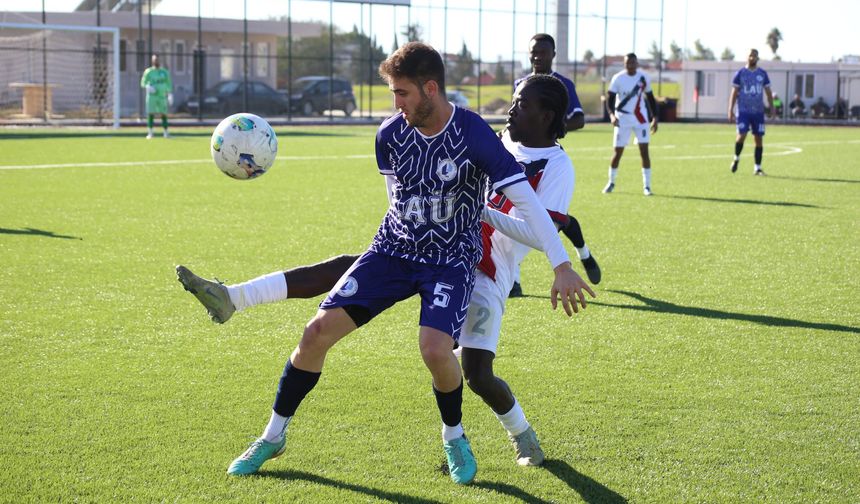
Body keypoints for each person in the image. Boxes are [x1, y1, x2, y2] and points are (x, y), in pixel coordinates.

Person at [178, 42, 592, 485]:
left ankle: (454, 436)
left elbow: (527, 203)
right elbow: (396, 201)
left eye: (402, 93)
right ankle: (272, 436)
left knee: (439, 352)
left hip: (453, 261)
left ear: (430, 88)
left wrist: (562, 264)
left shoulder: (474, 135)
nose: (395, 103)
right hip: (394, 251)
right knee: (315, 334)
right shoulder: (389, 134)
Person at [508, 33, 598, 298]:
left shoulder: (563, 84)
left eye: (543, 52)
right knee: (513, 209)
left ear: (553, 55)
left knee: (553, 220)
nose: (537, 57)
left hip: (546, 154)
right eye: (533, 52)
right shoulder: (521, 83)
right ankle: (513, 280)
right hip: (519, 152)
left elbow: (579, 119)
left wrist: (548, 128)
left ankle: (584, 253)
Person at [603, 53, 659, 196]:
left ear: (637, 64)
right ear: (624, 64)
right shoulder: (618, 78)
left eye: (633, 63)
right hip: (622, 120)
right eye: (628, 63)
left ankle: (647, 186)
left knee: (644, 152)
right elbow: (610, 99)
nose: (631, 65)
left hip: (641, 120)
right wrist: (611, 115)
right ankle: (611, 182)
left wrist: (655, 118)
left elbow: (651, 98)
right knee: (618, 152)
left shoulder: (643, 77)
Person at [728, 48, 774, 176]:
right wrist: (730, 109)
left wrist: (771, 108)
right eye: (750, 56)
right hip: (743, 111)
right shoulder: (740, 73)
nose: (752, 58)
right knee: (742, 134)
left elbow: (768, 92)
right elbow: (734, 92)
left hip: (758, 112)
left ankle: (757, 168)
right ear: (746, 57)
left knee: (758, 139)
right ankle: (736, 158)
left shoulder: (762, 74)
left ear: (757, 58)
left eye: (754, 56)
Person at [140, 54, 172, 139]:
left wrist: (169, 94)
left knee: (164, 114)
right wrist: (148, 87)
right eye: (154, 60)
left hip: (162, 96)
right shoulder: (148, 71)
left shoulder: (164, 72)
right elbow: (143, 83)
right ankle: (150, 133)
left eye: (157, 59)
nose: (156, 61)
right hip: (152, 97)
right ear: (152, 61)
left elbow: (168, 84)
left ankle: (166, 132)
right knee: (151, 113)